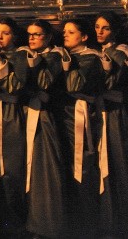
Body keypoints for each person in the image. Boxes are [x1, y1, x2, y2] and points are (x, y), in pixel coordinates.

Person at [58, 18, 106, 238]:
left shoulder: (90, 58)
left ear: (84, 36)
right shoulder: (70, 56)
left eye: (71, 32)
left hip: (79, 117)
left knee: (83, 165)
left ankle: (87, 225)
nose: (65, 35)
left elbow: (74, 85)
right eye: (64, 32)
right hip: (65, 115)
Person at [22, 19, 67, 238]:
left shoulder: (55, 55)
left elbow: (44, 82)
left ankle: (48, 225)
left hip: (47, 117)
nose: (31, 38)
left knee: (46, 167)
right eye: (29, 34)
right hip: (30, 113)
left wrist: (33, 64)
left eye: (37, 34)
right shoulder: (30, 54)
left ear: (48, 37)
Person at [0, 17, 29, 234]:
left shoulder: (20, 54)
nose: (0, 37)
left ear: (14, 35)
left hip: (11, 115)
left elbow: (15, 86)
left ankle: (16, 225)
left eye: (5, 33)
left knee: (12, 170)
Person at [93, 12, 128, 237]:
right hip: (100, 111)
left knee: (118, 161)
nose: (99, 31)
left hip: (115, 114)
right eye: (97, 27)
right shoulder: (100, 52)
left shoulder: (120, 52)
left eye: (104, 28)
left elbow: (113, 82)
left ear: (113, 30)